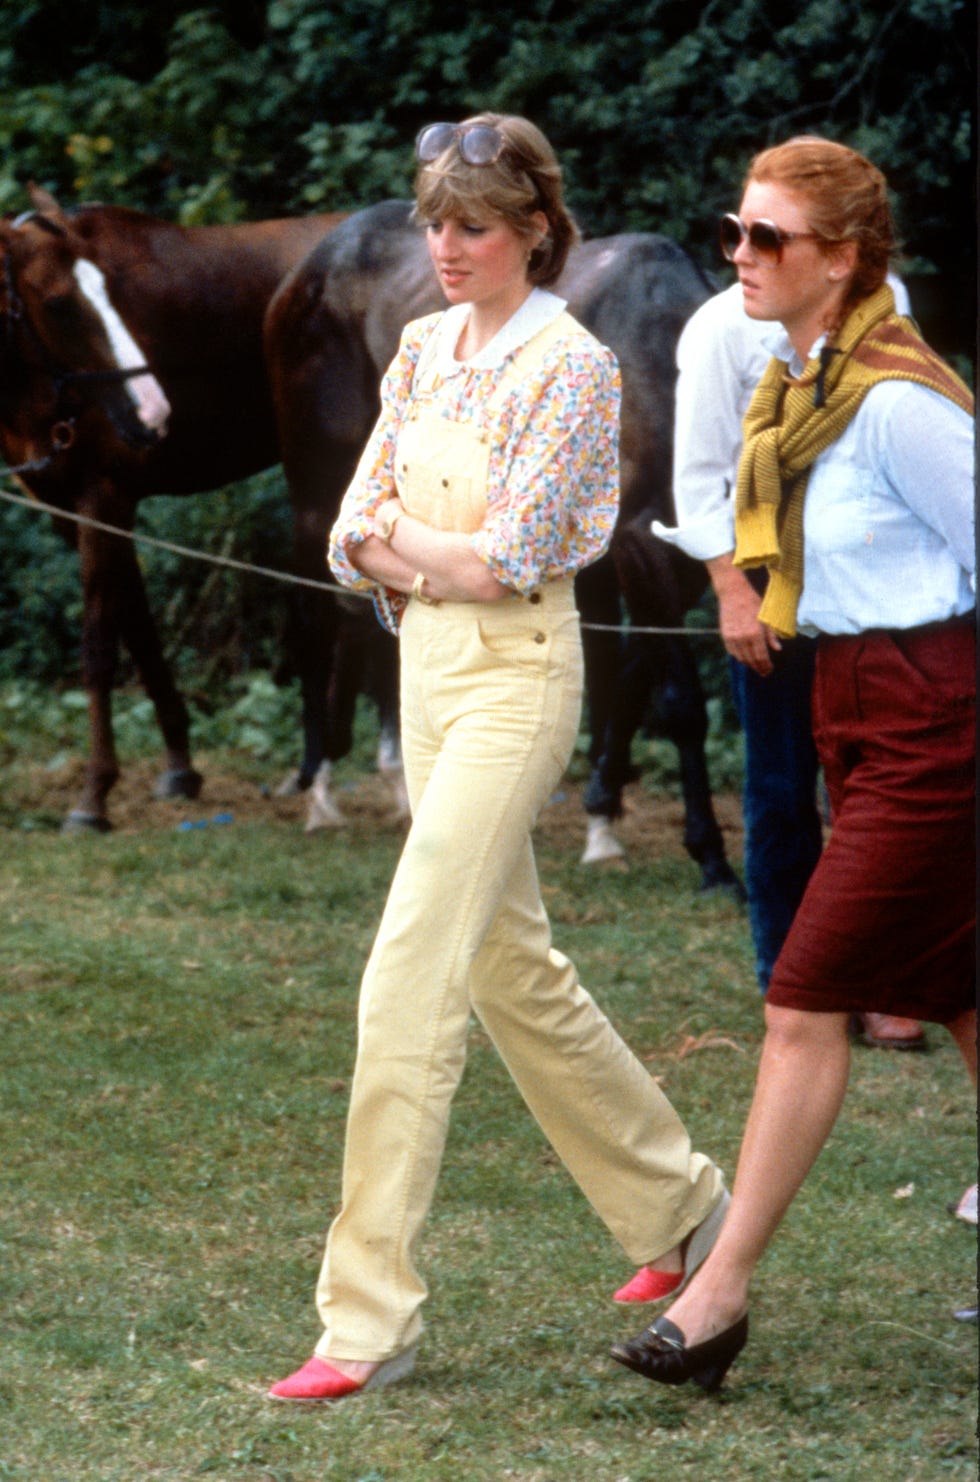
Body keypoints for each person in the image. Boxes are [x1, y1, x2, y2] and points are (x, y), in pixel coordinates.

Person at [267, 113, 729, 1403]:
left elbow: (508, 560)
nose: (445, 244)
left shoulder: (570, 367)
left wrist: (405, 549)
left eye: (471, 224)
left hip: (517, 680)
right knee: (508, 966)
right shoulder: (421, 346)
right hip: (427, 671)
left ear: (533, 229)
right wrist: (421, 553)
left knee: (408, 976)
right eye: (434, 221)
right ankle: (681, 1204)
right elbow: (345, 531)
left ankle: (367, 1321)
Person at [610, 135, 976, 1391]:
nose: (738, 254)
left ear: (843, 258)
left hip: (930, 715)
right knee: (962, 991)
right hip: (849, 705)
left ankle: (715, 1296)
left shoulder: (898, 401)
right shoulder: (795, 381)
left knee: (800, 1001)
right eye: (734, 230)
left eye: (767, 238)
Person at [655, 277, 929, 1056]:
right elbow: (698, 475)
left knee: (878, 782)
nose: (750, 253)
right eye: (746, 235)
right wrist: (731, 592)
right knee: (780, 785)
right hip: (773, 574)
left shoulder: (887, 300)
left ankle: (882, 981)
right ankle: (794, 981)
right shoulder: (720, 328)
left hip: (870, 567)